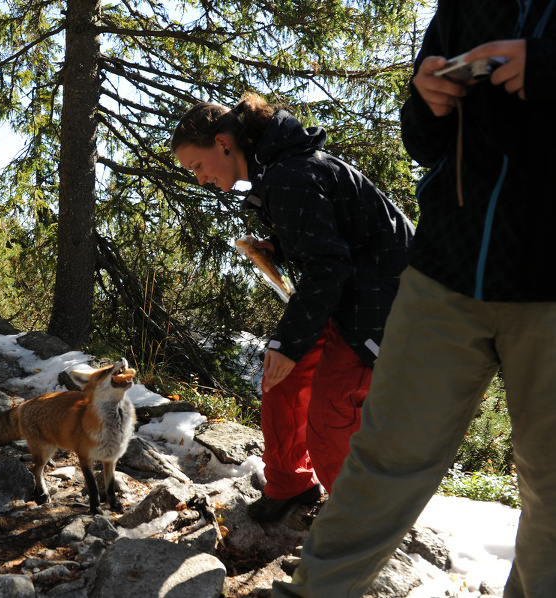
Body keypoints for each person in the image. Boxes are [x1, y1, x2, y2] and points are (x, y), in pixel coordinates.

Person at [272, 1, 556, 597]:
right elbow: (424, 143)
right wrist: (427, 99)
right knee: (381, 462)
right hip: (444, 270)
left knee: (551, 491)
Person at [171, 94, 414, 522]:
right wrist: (280, 246)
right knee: (280, 381)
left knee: (331, 419)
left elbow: (328, 267)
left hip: (383, 306)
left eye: (197, 166)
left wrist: (288, 342)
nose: (201, 178)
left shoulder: (289, 175)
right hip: (349, 293)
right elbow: (330, 237)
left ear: (224, 143)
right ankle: (291, 485)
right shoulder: (278, 171)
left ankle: (357, 525)